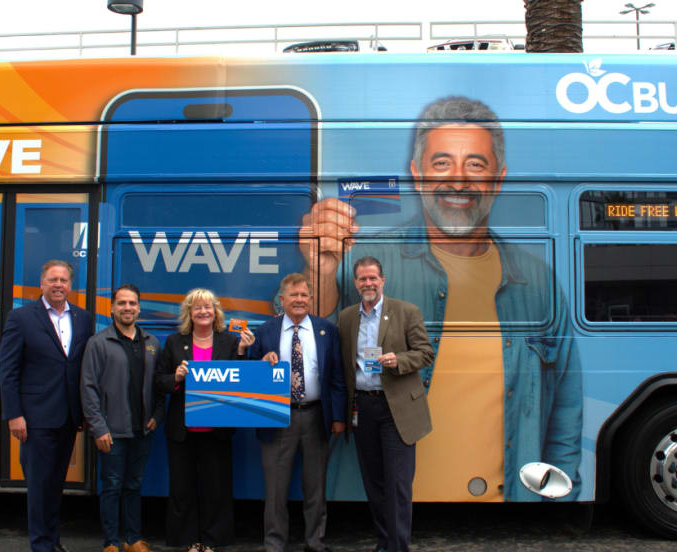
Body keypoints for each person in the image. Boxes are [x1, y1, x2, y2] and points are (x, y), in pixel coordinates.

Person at [301, 95, 582, 502]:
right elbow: (310, 333)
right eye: (442, 163)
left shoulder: (537, 280)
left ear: (499, 178)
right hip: (373, 495)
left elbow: (566, 413)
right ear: (416, 174)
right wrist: (322, 269)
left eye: (475, 164)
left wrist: (559, 494)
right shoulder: (366, 260)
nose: (458, 179)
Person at [338, 257, 434, 552]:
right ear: (355, 283)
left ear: (383, 280)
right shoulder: (347, 318)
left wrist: (399, 361)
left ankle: (398, 546)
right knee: (375, 483)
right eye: (362, 279)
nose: (368, 284)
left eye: (372, 278)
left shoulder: (406, 312)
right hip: (363, 409)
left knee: (398, 485)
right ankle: (385, 543)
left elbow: (425, 353)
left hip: (397, 410)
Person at [0, 259, 94, 552]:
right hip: (35, 418)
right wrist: (14, 415)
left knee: (55, 486)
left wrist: (85, 412)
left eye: (63, 280)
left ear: (70, 285)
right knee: (39, 488)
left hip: (68, 417)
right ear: (42, 284)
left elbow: (82, 369)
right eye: (53, 280)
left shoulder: (83, 318)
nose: (58, 285)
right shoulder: (21, 318)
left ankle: (52, 541)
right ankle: (41, 545)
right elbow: (8, 370)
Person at [249, 273, 346, 552]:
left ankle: (315, 540)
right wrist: (261, 361)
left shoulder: (327, 330)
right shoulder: (266, 330)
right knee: (276, 487)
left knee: (315, 485)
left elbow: (337, 376)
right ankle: (274, 542)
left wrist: (338, 417)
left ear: (311, 299)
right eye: (294, 295)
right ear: (282, 300)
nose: (300, 300)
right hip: (278, 416)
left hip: (317, 416)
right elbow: (250, 370)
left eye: (304, 295)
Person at [154, 288, 254, 552]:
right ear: (189, 313)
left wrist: (243, 351)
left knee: (216, 488)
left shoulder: (230, 342)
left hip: (217, 428)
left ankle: (212, 540)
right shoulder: (175, 342)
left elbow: (241, 382)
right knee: (181, 488)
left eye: (208, 307)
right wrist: (175, 377)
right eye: (197, 307)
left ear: (216, 311)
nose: (203, 311)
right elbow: (159, 381)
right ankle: (187, 540)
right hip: (182, 429)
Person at [80, 284, 165, 552]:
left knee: (134, 485)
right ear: (112, 308)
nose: (127, 308)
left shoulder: (151, 343)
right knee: (112, 486)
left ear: (139, 308)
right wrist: (98, 428)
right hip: (111, 431)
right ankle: (111, 542)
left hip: (143, 429)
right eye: (122, 303)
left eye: (132, 303)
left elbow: (159, 385)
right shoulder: (99, 343)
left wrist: (157, 416)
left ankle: (132, 539)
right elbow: (88, 388)